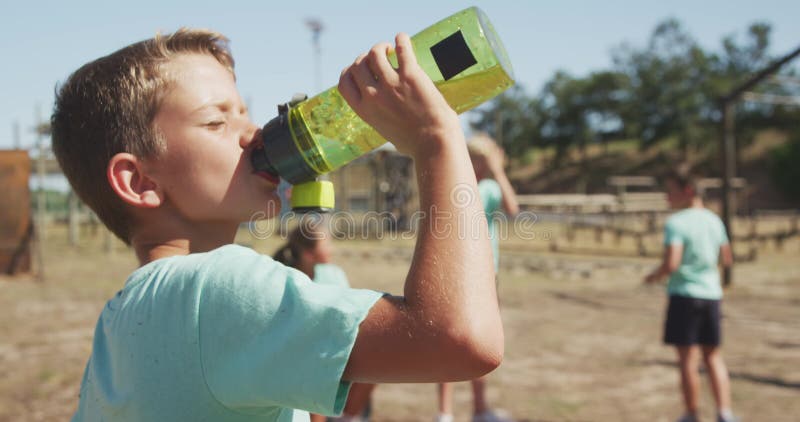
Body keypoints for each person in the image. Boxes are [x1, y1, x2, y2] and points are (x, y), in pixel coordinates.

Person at [51, 28, 503, 421]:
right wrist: (437, 141)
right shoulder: (215, 288)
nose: (254, 134)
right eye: (216, 121)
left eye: (245, 112)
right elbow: (459, 338)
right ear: (140, 181)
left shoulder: (119, 321)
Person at [436, 134, 519, 422]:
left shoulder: (476, 186)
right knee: (464, 339)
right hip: (470, 274)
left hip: (477, 273)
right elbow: (512, 209)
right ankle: (458, 411)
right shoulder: (475, 187)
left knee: (470, 339)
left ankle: (464, 410)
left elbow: (510, 209)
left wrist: (496, 171)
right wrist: (496, 170)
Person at [644, 165, 737, 422]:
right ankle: (724, 412)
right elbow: (726, 258)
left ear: (687, 191)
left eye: (670, 191)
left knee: (687, 359)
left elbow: (672, 263)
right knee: (713, 356)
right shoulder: (714, 220)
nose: (666, 197)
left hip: (685, 296)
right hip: (711, 295)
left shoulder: (676, 223)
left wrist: (656, 275)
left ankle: (692, 413)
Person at [273, 219, 376, 422]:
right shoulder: (286, 278)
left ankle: (346, 417)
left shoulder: (333, 274)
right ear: (308, 253)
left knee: (374, 361)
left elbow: (351, 316)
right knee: (312, 368)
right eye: (326, 243)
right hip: (303, 357)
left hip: (333, 349)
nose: (332, 248)